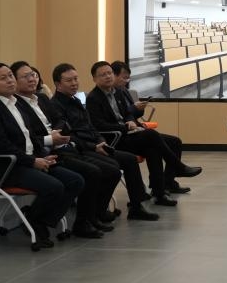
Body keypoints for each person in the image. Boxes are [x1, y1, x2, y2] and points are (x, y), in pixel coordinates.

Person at [0, 62, 82, 249]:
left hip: (29, 160)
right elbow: (1, 146)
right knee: (54, 186)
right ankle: (37, 224)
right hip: (8, 167)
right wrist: (33, 161)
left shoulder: (16, 103)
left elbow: (30, 137)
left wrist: (42, 156)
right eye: (3, 78)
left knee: (75, 181)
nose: (10, 80)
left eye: (10, 76)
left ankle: (35, 219)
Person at [10, 62, 118, 237]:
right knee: (91, 172)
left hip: (65, 146)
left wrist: (56, 131)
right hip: (47, 152)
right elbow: (27, 137)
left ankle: (91, 217)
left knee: (110, 169)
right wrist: (49, 138)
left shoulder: (42, 98)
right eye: (25, 76)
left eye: (33, 75)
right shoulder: (16, 105)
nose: (32, 79)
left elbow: (59, 119)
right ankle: (79, 222)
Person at [47, 63, 159, 222]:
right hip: (80, 149)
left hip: (95, 145)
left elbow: (91, 127)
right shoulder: (55, 106)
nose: (74, 83)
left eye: (76, 79)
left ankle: (135, 206)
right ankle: (96, 213)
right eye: (69, 80)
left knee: (130, 159)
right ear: (58, 84)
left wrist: (100, 141)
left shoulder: (76, 100)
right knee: (111, 169)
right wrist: (94, 146)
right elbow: (68, 135)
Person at [86, 61, 201, 206]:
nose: (108, 76)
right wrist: (125, 127)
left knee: (158, 146)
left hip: (130, 134)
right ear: (95, 79)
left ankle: (160, 193)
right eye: (103, 75)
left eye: (109, 73)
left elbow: (127, 113)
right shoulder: (93, 98)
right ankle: (178, 168)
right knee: (151, 136)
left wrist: (130, 120)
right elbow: (99, 125)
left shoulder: (118, 92)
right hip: (115, 139)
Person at [110, 60, 194, 196]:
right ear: (114, 75)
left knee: (175, 142)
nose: (126, 81)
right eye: (124, 77)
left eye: (128, 78)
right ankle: (170, 176)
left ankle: (168, 182)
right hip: (124, 137)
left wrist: (139, 109)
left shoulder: (123, 91)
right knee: (153, 143)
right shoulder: (108, 96)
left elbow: (131, 115)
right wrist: (133, 109)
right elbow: (121, 115)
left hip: (135, 130)